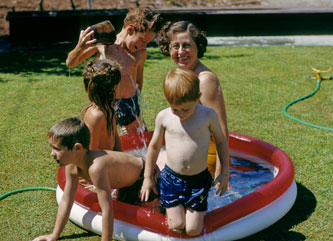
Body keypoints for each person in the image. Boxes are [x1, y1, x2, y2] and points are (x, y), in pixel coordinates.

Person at [32, 117, 159, 241]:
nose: (51, 153)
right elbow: (66, 199)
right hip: (127, 182)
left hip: (145, 177)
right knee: (127, 208)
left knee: (154, 215)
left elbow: (107, 208)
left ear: (77, 148)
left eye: (57, 149)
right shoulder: (71, 166)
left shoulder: (96, 168)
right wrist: (54, 235)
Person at [140, 68, 229, 236]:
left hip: (198, 180)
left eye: (185, 109)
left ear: (197, 97)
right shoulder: (164, 117)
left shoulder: (208, 116)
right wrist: (147, 178)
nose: (180, 114)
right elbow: (153, 147)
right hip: (172, 179)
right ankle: (169, 207)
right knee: (177, 225)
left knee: (193, 230)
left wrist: (224, 171)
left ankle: (190, 210)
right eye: (175, 109)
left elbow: (221, 141)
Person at [66, 8, 163, 134]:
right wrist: (79, 47)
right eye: (143, 41)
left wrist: (134, 107)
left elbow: (138, 81)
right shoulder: (104, 44)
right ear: (130, 29)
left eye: (147, 43)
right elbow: (70, 63)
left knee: (142, 143)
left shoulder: (140, 53)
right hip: (104, 104)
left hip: (129, 103)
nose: (144, 46)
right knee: (101, 144)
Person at [157, 21, 230, 177]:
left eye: (187, 45)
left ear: (198, 47)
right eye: (176, 46)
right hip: (187, 151)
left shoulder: (204, 81)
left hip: (202, 160)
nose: (181, 52)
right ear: (169, 48)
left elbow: (221, 130)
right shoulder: (181, 74)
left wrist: (222, 172)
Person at [82, 58, 122, 151]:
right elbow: (90, 154)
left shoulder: (108, 108)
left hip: (108, 161)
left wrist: (124, 160)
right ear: (113, 88)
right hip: (100, 164)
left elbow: (116, 139)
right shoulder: (96, 116)